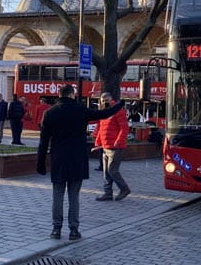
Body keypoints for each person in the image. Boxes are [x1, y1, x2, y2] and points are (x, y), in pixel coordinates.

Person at [37, 85, 124, 240]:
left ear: (59, 95)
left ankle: (56, 229)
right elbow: (103, 114)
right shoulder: (80, 109)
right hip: (77, 158)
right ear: (72, 94)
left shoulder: (49, 113)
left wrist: (41, 163)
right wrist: (119, 105)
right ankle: (74, 230)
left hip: (58, 159)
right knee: (74, 195)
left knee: (57, 194)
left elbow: (43, 141)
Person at [93, 92, 131, 201]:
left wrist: (118, 141)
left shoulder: (118, 110)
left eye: (106, 100)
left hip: (116, 147)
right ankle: (108, 193)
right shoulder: (104, 112)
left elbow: (124, 128)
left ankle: (124, 189)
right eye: (103, 101)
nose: (104, 102)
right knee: (106, 172)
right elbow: (101, 128)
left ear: (111, 100)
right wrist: (98, 142)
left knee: (112, 171)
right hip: (106, 146)